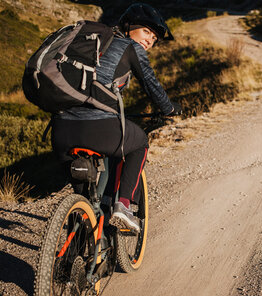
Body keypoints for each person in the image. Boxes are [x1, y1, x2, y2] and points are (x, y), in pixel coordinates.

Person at [51, 3, 180, 232]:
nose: (149, 40)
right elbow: (152, 86)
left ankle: (75, 243)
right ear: (128, 27)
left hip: (61, 129)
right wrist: (168, 109)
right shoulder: (129, 47)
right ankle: (124, 205)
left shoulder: (89, 43)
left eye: (154, 38)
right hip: (97, 128)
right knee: (139, 142)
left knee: (83, 195)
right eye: (146, 32)